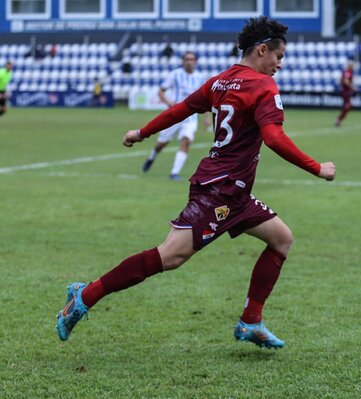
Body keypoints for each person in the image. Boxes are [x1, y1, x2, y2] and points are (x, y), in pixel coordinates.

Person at [55, 16, 336, 349]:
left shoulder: (220, 81)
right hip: (219, 190)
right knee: (170, 256)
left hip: (236, 193)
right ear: (262, 50)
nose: (280, 64)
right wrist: (316, 167)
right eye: (279, 56)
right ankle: (85, 295)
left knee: (281, 239)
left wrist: (142, 132)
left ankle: (250, 322)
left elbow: (181, 109)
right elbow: (273, 138)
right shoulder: (263, 87)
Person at [142, 51, 206, 180]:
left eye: (192, 59)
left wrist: (207, 118)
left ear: (196, 61)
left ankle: (174, 173)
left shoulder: (200, 77)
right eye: (187, 59)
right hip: (174, 116)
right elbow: (161, 91)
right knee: (162, 143)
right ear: (183, 61)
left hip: (191, 118)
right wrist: (170, 104)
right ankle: (152, 157)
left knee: (186, 141)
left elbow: (204, 99)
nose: (189, 62)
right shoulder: (175, 75)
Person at [335, 59, 357, 127]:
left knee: (347, 106)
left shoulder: (348, 72)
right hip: (345, 91)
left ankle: (339, 120)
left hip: (346, 91)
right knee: (348, 105)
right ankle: (338, 119)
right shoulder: (347, 72)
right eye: (352, 65)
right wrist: (353, 88)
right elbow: (346, 81)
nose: (353, 67)